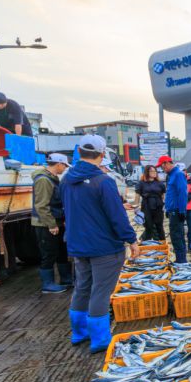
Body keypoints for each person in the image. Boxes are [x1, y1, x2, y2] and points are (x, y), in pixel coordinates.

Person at [60, 134, 139, 353]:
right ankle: (100, 339)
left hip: (78, 245)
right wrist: (131, 239)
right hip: (104, 247)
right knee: (101, 291)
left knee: (82, 287)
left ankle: (79, 333)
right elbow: (117, 216)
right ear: (102, 155)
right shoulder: (104, 181)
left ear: (79, 152)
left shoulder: (66, 179)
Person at [32, 153, 72, 293]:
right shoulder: (44, 180)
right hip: (45, 224)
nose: (65, 168)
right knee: (49, 253)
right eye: (64, 165)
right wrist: (51, 224)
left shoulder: (53, 178)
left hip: (57, 221)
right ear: (59, 164)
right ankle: (47, 284)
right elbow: (41, 205)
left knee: (61, 251)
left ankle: (66, 279)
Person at [156, 155, 188, 264]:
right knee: (177, 236)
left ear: (167, 163)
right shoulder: (172, 175)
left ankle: (181, 261)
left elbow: (182, 193)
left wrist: (182, 211)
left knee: (176, 237)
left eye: (163, 166)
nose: (162, 168)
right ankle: (181, 259)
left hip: (176, 211)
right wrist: (167, 209)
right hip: (172, 211)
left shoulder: (178, 174)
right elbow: (171, 194)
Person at [133, 165, 166, 242]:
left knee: (159, 226)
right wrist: (136, 207)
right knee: (148, 226)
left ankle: (162, 243)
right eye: (152, 171)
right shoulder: (141, 183)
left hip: (158, 206)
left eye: (155, 171)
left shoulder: (160, 183)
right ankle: (145, 242)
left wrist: (165, 205)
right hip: (146, 206)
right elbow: (137, 195)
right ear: (147, 172)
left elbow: (163, 196)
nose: (154, 172)